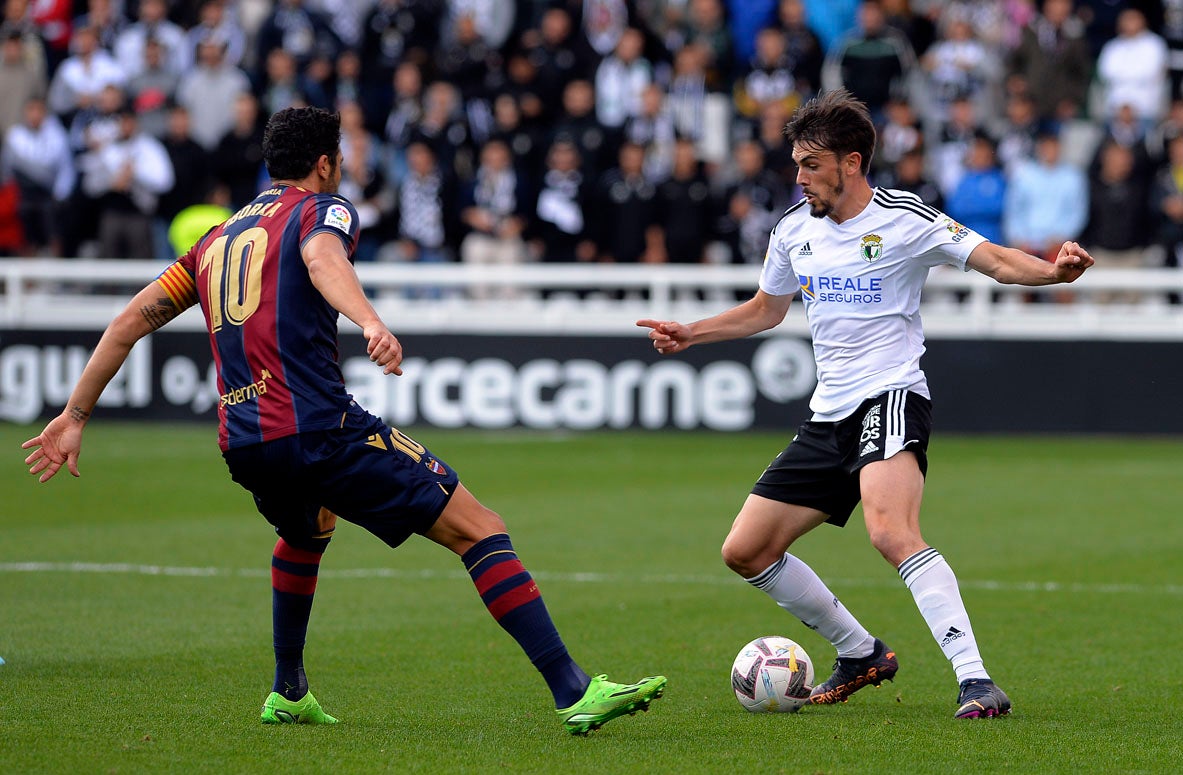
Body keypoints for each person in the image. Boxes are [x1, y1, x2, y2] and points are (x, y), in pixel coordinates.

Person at [23, 106, 666, 735]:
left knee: (308, 531)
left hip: (243, 441)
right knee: (479, 528)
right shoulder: (319, 209)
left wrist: (75, 414)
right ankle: (574, 691)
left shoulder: (214, 241)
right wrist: (371, 321)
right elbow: (324, 258)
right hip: (318, 428)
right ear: (326, 163)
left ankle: (289, 691)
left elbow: (129, 321)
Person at [638, 90, 1092, 720]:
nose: (799, 178)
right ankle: (860, 653)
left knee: (890, 532)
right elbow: (766, 309)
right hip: (829, 415)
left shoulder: (904, 218)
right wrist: (694, 332)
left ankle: (975, 681)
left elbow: (994, 259)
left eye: (812, 165)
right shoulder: (793, 230)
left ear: (851, 164)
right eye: (796, 164)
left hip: (892, 393)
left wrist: (1053, 273)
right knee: (745, 550)